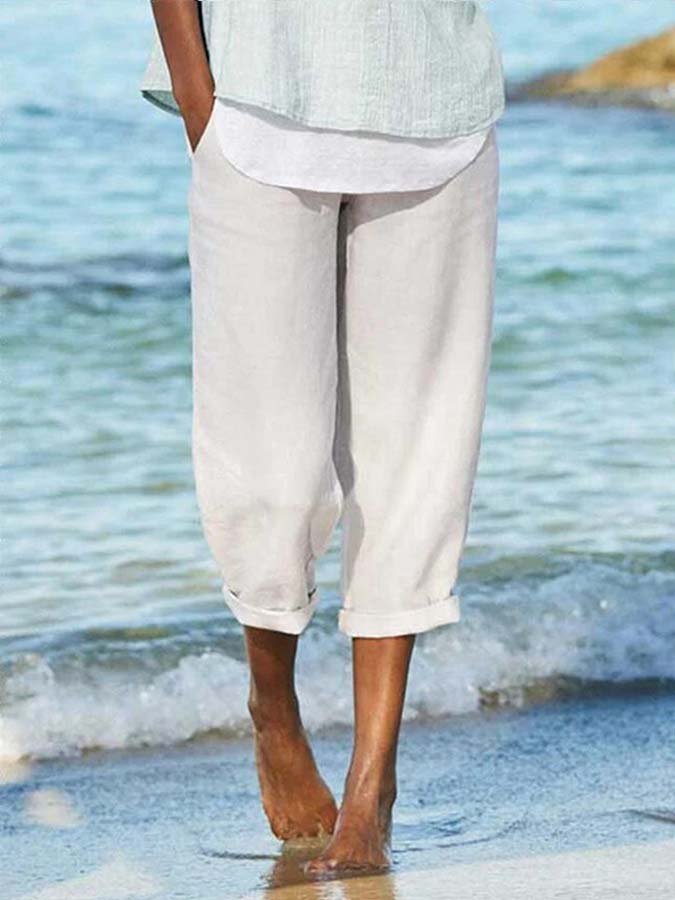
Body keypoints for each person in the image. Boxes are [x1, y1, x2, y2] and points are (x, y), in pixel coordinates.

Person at [140, 0, 504, 875]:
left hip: (439, 113)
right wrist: (197, 100)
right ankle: (273, 709)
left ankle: (372, 786)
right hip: (255, 108)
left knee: (415, 467)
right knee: (272, 477)